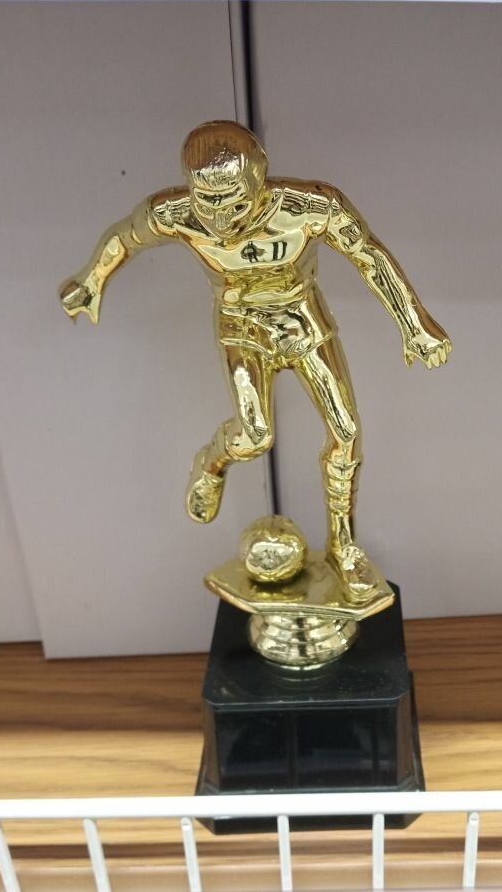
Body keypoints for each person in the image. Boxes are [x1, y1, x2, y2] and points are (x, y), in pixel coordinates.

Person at [60, 120, 451, 601]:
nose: (222, 219)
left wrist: (414, 323)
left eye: (235, 203)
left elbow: (370, 256)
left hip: (303, 322)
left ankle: (343, 545)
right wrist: (91, 280)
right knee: (256, 436)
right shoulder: (174, 213)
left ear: (260, 182)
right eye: (208, 203)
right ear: (191, 189)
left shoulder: (312, 207)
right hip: (240, 327)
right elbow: (124, 238)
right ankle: (210, 463)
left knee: (347, 433)